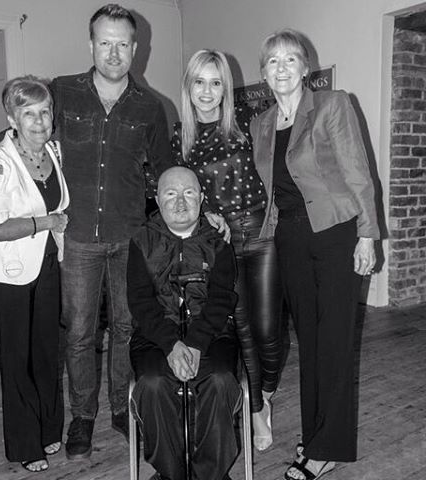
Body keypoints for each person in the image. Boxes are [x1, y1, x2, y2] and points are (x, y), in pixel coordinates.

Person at [0, 4, 175, 459]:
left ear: (136, 48)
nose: (113, 52)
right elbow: (18, 128)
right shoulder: (62, 92)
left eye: (122, 43)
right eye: (105, 42)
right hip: (77, 236)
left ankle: (124, 411)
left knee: (126, 329)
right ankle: (82, 418)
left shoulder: (151, 107)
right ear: (91, 44)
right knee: (80, 333)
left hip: (129, 238)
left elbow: (166, 171)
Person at [250, 29, 379, 480]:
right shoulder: (261, 123)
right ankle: (315, 430)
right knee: (310, 342)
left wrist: (368, 234)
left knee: (336, 341)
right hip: (290, 240)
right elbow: (264, 190)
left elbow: (357, 171)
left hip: (337, 234)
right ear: (263, 72)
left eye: (290, 60)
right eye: (272, 61)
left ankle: (329, 448)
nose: (281, 68)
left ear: (306, 68)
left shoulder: (331, 105)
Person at [171, 49, 282, 451]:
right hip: (221, 243)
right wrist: (205, 217)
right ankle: (256, 410)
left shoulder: (247, 123)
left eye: (215, 82)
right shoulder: (178, 137)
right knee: (243, 328)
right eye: (199, 81)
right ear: (189, 86)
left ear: (225, 88)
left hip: (262, 232)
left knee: (270, 327)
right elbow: (171, 198)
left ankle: (266, 389)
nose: (207, 91)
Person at [0, 76, 69, 472]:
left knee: (48, 352)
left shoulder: (53, 149)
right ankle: (25, 443)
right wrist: (44, 222)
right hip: (8, 274)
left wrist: (49, 230)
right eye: (28, 113)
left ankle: (49, 429)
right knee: (17, 359)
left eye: (44, 111)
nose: (38, 120)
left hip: (48, 263)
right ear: (11, 117)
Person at [128, 166, 241, 480]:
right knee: (151, 384)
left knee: (220, 380)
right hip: (155, 336)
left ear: (202, 198)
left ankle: (211, 474)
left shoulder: (218, 240)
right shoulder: (142, 241)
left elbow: (221, 299)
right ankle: (170, 473)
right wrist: (171, 344)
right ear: (157, 200)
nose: (180, 202)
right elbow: (140, 302)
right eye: (170, 194)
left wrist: (193, 344)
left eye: (189, 193)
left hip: (211, 333)